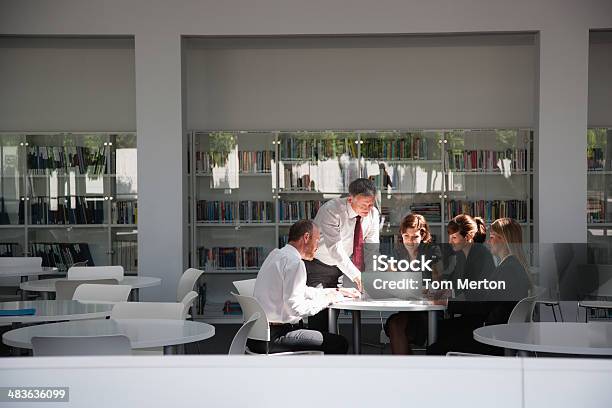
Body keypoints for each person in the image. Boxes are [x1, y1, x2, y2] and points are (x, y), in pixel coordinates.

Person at [249, 219, 357, 354]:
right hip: (275, 337)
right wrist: (327, 300)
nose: (318, 247)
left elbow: (300, 290)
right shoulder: (295, 263)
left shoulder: (276, 255)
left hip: (257, 336)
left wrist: (334, 291)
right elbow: (296, 309)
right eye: (317, 240)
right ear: (306, 237)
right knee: (339, 343)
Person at [305, 178, 380, 332]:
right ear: (350, 199)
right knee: (319, 313)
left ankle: (332, 349)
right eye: (363, 205)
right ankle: (316, 350)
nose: (367, 209)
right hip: (318, 265)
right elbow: (335, 248)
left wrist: (371, 276)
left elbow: (372, 249)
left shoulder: (373, 214)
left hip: (341, 268)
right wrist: (357, 276)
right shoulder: (331, 209)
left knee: (334, 312)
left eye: (371, 204)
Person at [426, 214, 496, 355]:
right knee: (425, 329)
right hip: (471, 317)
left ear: (468, 237)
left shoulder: (480, 255)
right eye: (449, 237)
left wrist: (445, 301)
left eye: (454, 238)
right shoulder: (462, 255)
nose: (450, 242)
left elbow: (475, 297)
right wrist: (435, 292)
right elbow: (457, 289)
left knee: (432, 342)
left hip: (480, 323)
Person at [384, 213, 444, 354]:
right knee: (395, 324)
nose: (410, 241)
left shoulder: (433, 251)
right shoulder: (398, 251)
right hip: (407, 309)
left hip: (428, 311)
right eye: (406, 236)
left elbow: (438, 284)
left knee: (397, 326)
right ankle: (407, 370)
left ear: (423, 236)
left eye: (415, 237)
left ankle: (406, 370)